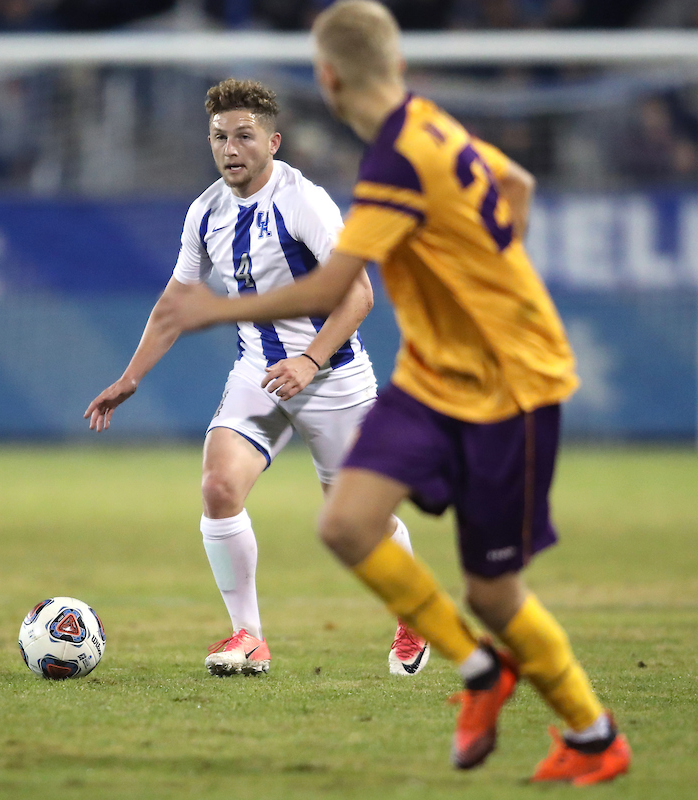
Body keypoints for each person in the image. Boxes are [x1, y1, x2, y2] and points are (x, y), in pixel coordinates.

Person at [154, 1, 631, 785]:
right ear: (397, 69)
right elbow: (517, 181)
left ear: (328, 79)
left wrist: (219, 309)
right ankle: (481, 671)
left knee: (493, 589)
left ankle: (592, 732)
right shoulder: (431, 126)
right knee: (346, 524)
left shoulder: (395, 163)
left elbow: (341, 285)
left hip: (512, 383)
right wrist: (492, 266)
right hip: (437, 375)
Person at [83, 77, 430, 679]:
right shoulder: (206, 212)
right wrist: (130, 376)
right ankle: (249, 637)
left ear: (273, 140)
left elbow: (360, 295)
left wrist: (310, 361)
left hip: (334, 378)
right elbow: (173, 302)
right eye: (219, 137)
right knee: (219, 487)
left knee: (356, 523)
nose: (230, 148)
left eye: (243, 135)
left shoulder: (306, 203)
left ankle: (412, 617)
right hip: (258, 375)